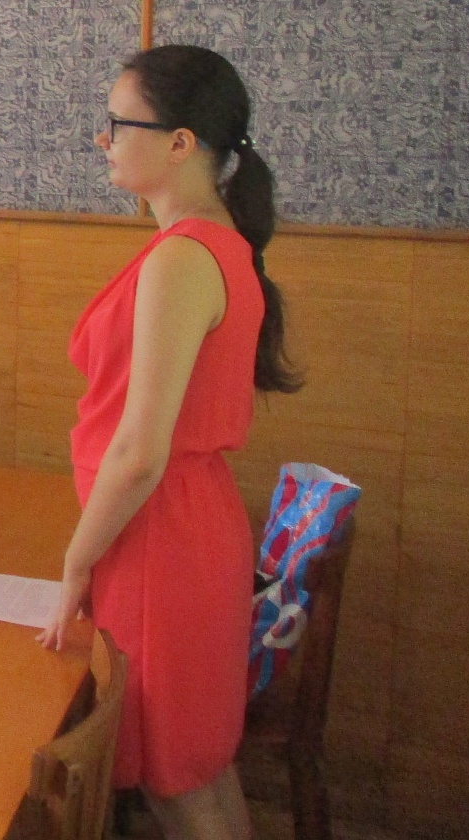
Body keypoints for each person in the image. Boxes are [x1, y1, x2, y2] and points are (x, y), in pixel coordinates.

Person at [39, 45, 302, 840]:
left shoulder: (183, 259)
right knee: (195, 770)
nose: (103, 139)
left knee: (175, 780)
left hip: (161, 541)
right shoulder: (204, 246)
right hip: (174, 528)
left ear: (180, 143)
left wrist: (76, 561)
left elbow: (138, 452)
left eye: (118, 123)